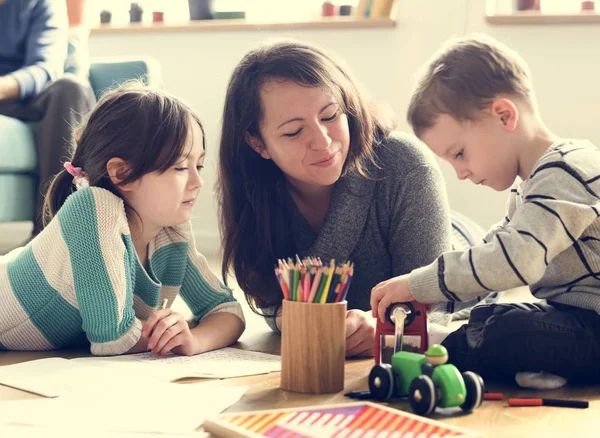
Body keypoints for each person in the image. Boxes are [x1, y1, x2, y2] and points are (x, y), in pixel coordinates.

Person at [371, 34, 600, 387]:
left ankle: (443, 350)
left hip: (594, 322)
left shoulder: (567, 169)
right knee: (493, 315)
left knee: (510, 332)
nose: (460, 173)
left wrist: (421, 285)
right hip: (574, 317)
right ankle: (480, 349)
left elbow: (513, 261)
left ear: (504, 115)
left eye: (459, 154)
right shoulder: (530, 185)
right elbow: (490, 254)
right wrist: (441, 298)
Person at [217, 40, 451, 358]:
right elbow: (272, 304)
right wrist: (300, 318)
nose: (323, 141)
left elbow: (432, 306)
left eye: (330, 116)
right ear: (258, 144)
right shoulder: (253, 192)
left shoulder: (406, 164)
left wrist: (383, 329)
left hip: (457, 249)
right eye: (294, 132)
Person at [0, 82, 245, 356]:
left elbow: (227, 310)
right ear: (122, 173)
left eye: (198, 165)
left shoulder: (170, 228)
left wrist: (193, 339)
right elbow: (113, 339)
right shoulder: (94, 208)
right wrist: (169, 335)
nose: (198, 181)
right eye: (180, 167)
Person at [0, 0, 96, 236]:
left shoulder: (41, 3)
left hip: (24, 97)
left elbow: (45, 67)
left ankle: (55, 231)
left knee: (70, 88)